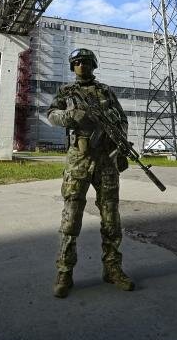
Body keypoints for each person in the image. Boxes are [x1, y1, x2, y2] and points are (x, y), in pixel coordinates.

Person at [47, 48, 134, 298]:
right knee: (71, 217)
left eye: (85, 62)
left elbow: (121, 121)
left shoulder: (106, 91)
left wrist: (122, 148)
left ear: (94, 65)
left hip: (107, 160)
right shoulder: (66, 92)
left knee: (111, 218)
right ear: (72, 67)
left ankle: (113, 268)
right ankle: (64, 272)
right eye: (76, 62)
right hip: (79, 160)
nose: (81, 66)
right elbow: (51, 115)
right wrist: (70, 116)